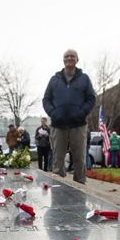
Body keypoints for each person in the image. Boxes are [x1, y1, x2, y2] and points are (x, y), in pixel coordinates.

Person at [42, 49, 96, 184]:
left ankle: (80, 191)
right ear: (63, 60)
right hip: (58, 126)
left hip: (78, 126)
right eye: (66, 56)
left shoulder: (84, 79)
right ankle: (59, 191)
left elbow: (91, 99)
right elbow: (46, 99)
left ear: (77, 59)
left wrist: (82, 112)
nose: (69, 58)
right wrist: (53, 113)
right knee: (57, 160)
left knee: (79, 160)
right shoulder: (54, 80)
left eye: (72, 56)